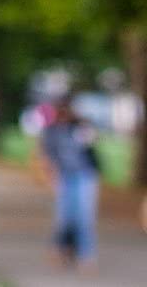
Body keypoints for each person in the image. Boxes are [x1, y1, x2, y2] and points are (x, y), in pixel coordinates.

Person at [40, 95, 102, 272]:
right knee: (65, 217)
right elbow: (48, 156)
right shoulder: (51, 131)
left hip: (84, 175)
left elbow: (92, 142)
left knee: (84, 217)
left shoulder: (80, 127)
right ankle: (61, 248)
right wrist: (52, 176)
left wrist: (84, 124)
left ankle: (86, 255)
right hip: (65, 176)